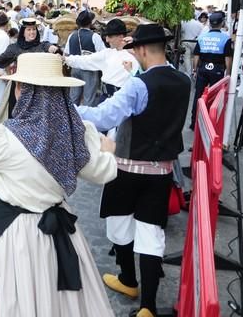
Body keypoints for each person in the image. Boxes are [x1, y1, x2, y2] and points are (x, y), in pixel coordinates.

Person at [0, 52, 117, 317]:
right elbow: (103, 173)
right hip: (60, 234)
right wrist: (108, 150)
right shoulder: (77, 134)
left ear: (22, 90)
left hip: (14, 236)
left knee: (14, 299)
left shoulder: (5, 138)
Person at [76, 24, 191, 317]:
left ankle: (128, 279)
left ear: (140, 49)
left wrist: (69, 109)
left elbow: (104, 116)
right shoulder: (184, 80)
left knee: (118, 226)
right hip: (161, 170)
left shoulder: (139, 84)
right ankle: (148, 308)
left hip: (127, 167)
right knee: (152, 236)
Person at [0, 18, 60, 121]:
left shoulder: (42, 45)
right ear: (23, 32)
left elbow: (50, 47)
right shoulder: (14, 48)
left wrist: (53, 48)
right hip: (19, 86)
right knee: (17, 115)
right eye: (29, 30)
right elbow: (1, 59)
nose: (32, 32)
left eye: (34, 29)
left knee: (37, 116)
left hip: (39, 87)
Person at [65, 19, 139, 101]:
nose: (107, 40)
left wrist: (135, 47)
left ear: (121, 37)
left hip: (123, 99)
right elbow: (86, 60)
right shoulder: (107, 53)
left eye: (110, 36)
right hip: (104, 97)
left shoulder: (135, 55)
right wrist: (65, 59)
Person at [190, 11, 233, 129]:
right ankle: (210, 123)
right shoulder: (226, 38)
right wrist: (228, 74)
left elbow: (196, 56)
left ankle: (194, 122)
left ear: (209, 24)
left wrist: (195, 69)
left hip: (203, 68)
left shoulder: (202, 37)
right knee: (214, 97)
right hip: (218, 69)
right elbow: (228, 58)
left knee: (198, 95)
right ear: (222, 23)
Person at [63, 10, 105, 107]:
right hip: (89, 71)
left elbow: (66, 54)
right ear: (90, 23)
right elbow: (103, 55)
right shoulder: (95, 36)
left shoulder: (72, 36)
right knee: (89, 99)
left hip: (74, 69)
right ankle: (87, 121)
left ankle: (72, 119)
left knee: (73, 98)